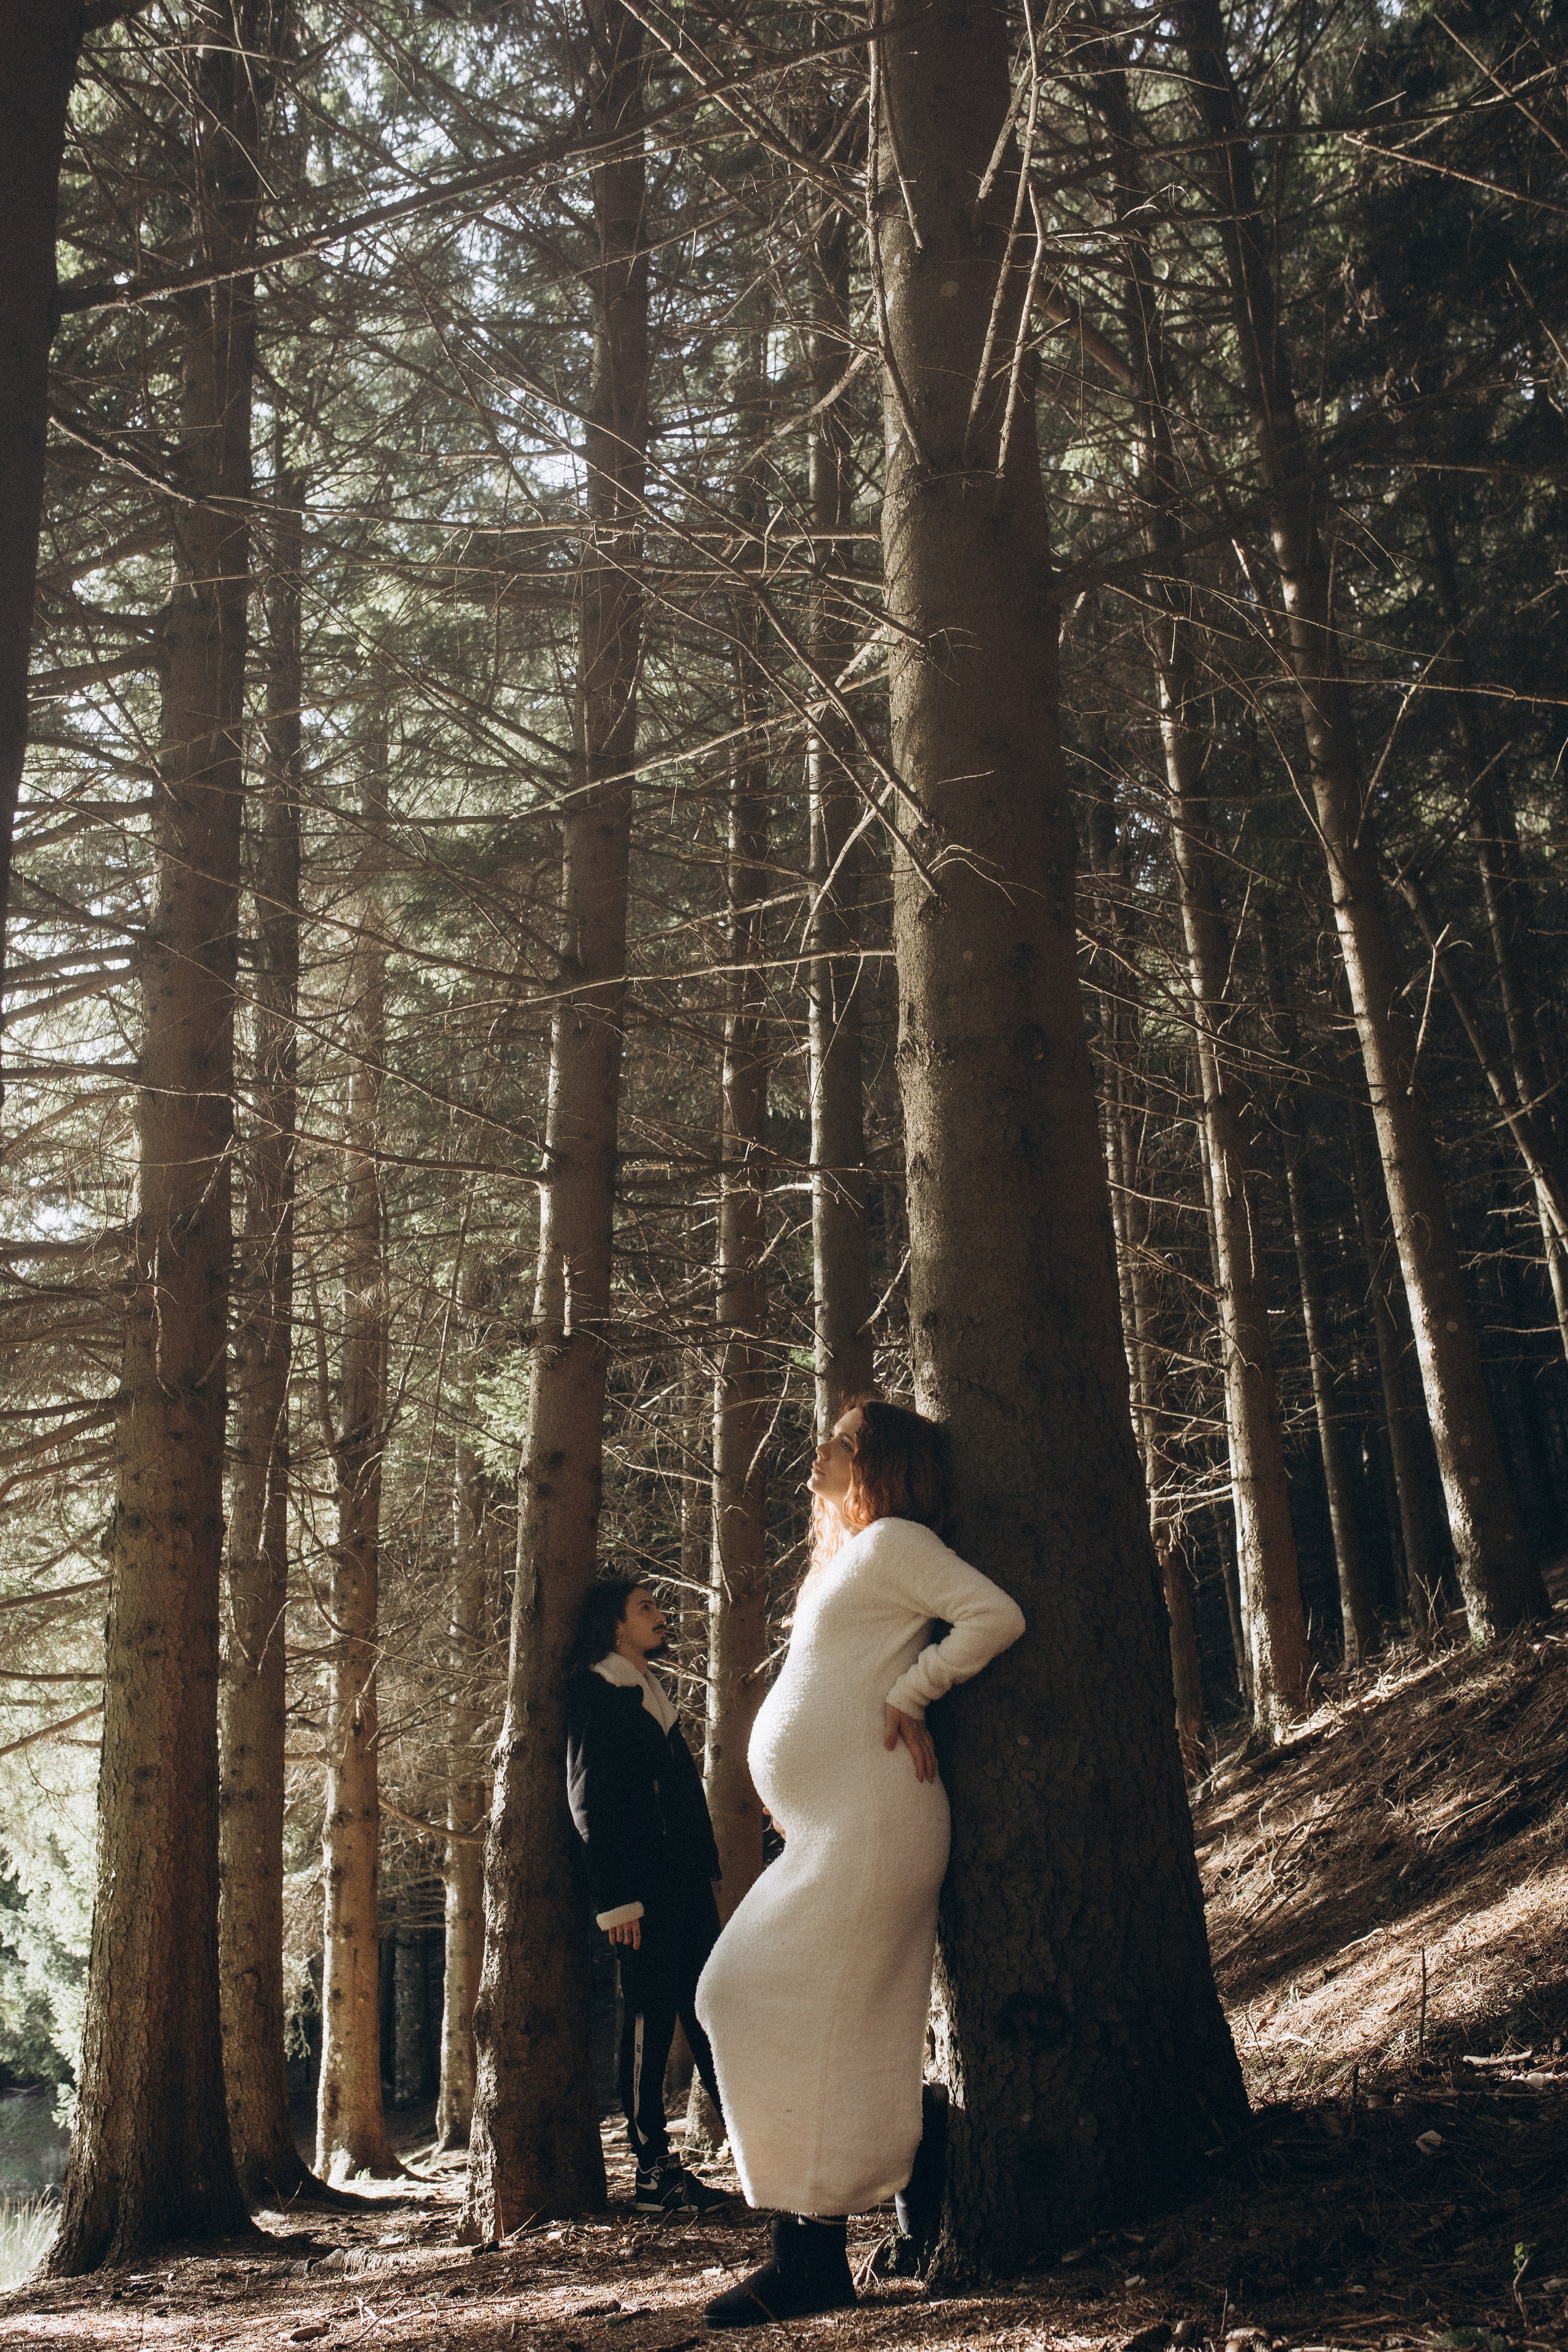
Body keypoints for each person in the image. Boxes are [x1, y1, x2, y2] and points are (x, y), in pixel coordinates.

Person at [695, 1395, 1025, 2328]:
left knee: (789, 2007)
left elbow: (993, 1616)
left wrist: (914, 1693)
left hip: (875, 1825)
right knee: (741, 1997)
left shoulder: (895, 1544)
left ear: (878, 1462)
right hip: (830, 1831)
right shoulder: (855, 1555)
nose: (821, 1451)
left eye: (840, 1442)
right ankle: (908, 2178)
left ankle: (814, 2257)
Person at [565, 1575, 731, 2217]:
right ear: (614, 1625)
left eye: (657, 1606)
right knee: (648, 2015)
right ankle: (650, 2169)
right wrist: (617, 1900)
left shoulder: (648, 1691)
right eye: (645, 1609)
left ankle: (754, 2150)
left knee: (708, 2006)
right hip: (639, 1890)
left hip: (683, 1880)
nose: (660, 1616)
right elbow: (589, 1803)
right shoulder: (595, 1692)